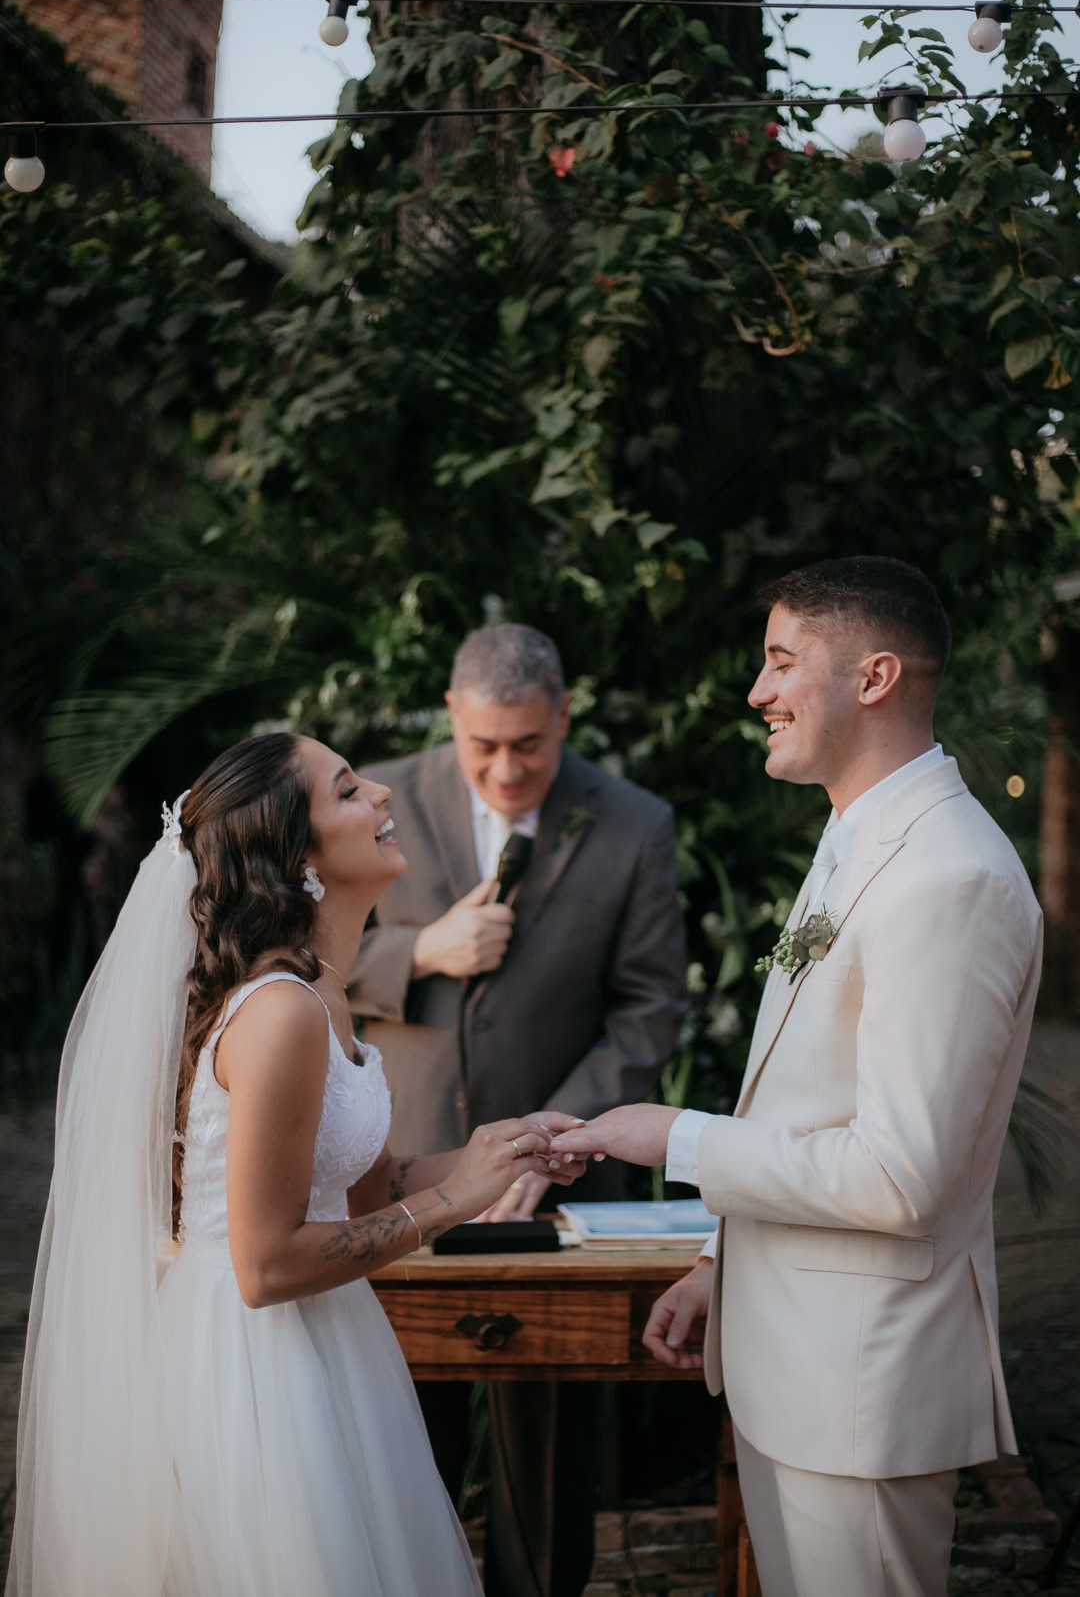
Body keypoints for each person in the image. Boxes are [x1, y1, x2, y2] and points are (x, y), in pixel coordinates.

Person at [551, 557, 1043, 1597]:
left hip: (861, 1388)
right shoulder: (856, 833)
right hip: (799, 1360)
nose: (756, 692)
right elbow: (816, 1101)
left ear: (873, 678)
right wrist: (729, 1269)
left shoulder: (946, 876)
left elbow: (900, 1176)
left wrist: (674, 1139)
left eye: (781, 662)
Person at [7, 730, 585, 1597]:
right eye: (350, 791)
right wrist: (453, 1203)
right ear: (297, 853)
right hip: (253, 1366)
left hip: (330, 1341)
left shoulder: (320, 991)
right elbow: (265, 1264)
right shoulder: (278, 1014)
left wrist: (492, 1154)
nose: (383, 797)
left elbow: (367, 1188)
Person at [348, 622, 687, 1597]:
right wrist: (418, 952)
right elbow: (301, 959)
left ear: (564, 716)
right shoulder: (374, 798)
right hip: (394, 1171)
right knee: (398, 1429)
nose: (505, 770)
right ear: (451, 716)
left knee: (547, 1454)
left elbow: (649, 1007)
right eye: (483, 745)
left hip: (560, 1185)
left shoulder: (633, 822)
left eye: (529, 746)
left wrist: (548, 1142)